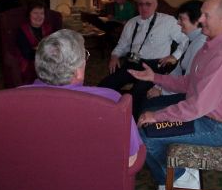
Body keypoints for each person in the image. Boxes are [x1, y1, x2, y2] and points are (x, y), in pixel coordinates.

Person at [128, 0, 222, 190]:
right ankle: (179, 173)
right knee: (149, 115)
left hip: (214, 126)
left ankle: (181, 177)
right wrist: (155, 77)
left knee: (145, 134)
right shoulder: (211, 45)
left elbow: (196, 107)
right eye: (201, 13)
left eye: (206, 15)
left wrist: (156, 117)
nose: (200, 19)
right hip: (204, 114)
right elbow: (189, 83)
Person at [23, 29, 146, 166]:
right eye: (85, 56)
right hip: (92, 183)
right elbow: (131, 159)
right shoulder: (112, 101)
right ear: (77, 72)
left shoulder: (10, 99)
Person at [98, 0, 188, 120]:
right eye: (140, 4)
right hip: (133, 62)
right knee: (106, 84)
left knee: (137, 93)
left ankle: (129, 123)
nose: (144, 7)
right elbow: (122, 45)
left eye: (148, 4)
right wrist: (114, 56)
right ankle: (102, 113)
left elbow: (185, 40)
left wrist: (174, 56)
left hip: (154, 66)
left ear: (155, 5)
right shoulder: (131, 23)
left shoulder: (168, 22)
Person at [141, 0, 207, 111]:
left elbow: (188, 82)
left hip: (193, 96)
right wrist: (159, 86)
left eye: (182, 19)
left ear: (196, 21)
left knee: (148, 106)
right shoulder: (190, 40)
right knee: (143, 95)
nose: (178, 23)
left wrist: (162, 91)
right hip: (183, 87)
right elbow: (177, 70)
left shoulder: (200, 45)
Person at [16, 0, 53, 83]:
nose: (39, 16)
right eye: (35, 13)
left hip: (48, 60)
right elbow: (27, 54)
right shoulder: (22, 31)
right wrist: (46, 51)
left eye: (41, 13)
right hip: (30, 63)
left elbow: (55, 46)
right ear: (29, 15)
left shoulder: (48, 28)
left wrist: (37, 49)